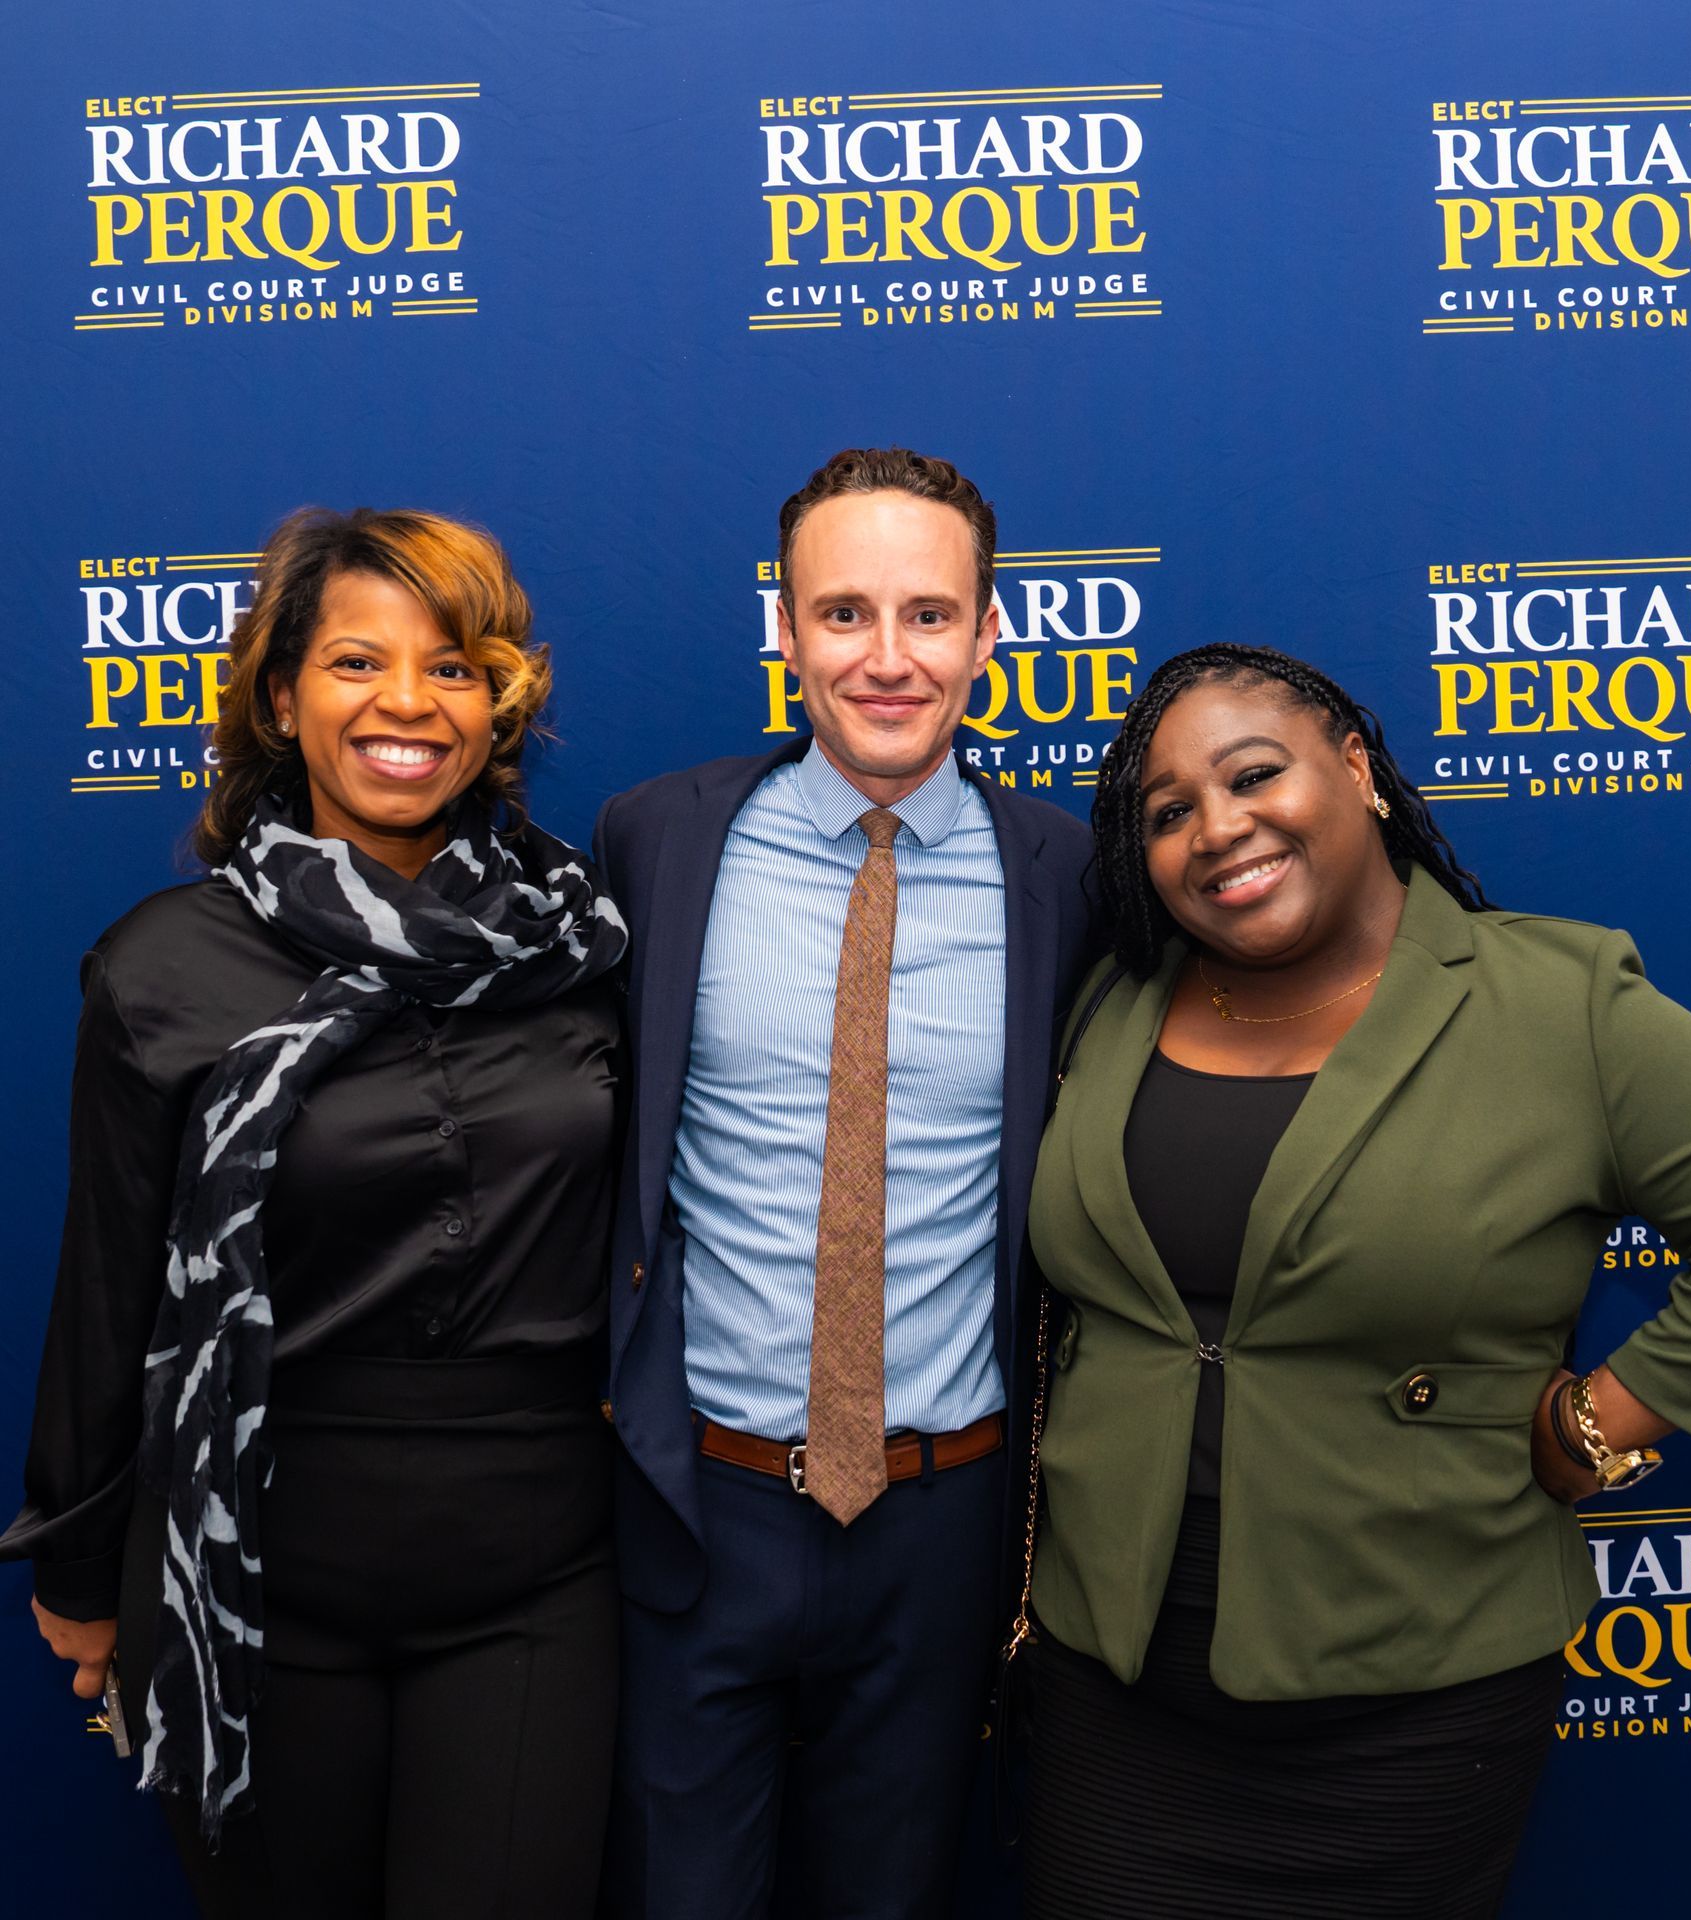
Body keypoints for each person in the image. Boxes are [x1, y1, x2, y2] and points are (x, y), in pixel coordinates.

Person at [1020, 642, 1691, 1920]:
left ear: (1360, 772)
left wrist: (1596, 1424)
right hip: (1115, 1688)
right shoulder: (1113, 1003)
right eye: (1166, 815)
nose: (1218, 828)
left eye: (1253, 773)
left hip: (1413, 1704)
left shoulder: (1558, 1003)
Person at [3, 508, 630, 1918]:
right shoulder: (165, 967)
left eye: (454, 667)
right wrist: (84, 1563)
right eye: (358, 661)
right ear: (281, 701)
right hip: (256, 1578)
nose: (407, 703)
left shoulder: (581, 944)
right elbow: (107, 1290)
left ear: (498, 705)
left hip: (538, 1574)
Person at [593, 447, 1095, 1918]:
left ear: (990, 635)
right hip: (698, 1506)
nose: (888, 660)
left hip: (946, 1523)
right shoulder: (657, 840)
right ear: (788, 628)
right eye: (846, 615)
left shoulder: (1067, 875)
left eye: (931, 617)